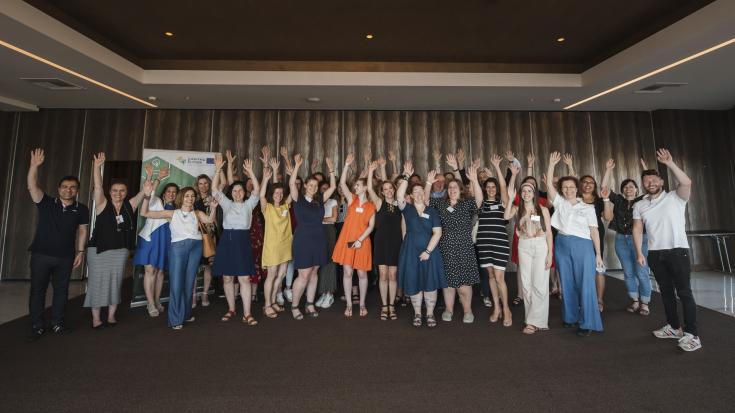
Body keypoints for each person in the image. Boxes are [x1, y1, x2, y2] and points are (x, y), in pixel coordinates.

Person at [633, 149, 701, 352]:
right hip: (655, 254)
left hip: (677, 251)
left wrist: (670, 163)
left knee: (684, 293)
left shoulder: (675, 197)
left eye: (654, 180)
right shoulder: (640, 205)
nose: (650, 183)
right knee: (665, 293)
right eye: (646, 181)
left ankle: (693, 334)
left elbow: (687, 182)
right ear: (643, 184)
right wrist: (639, 253)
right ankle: (674, 327)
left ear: (662, 182)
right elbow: (637, 229)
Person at [26, 148, 89, 341]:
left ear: (77, 190)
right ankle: (37, 326)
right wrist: (34, 166)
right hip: (41, 255)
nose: (68, 190)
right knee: (38, 290)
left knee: (61, 291)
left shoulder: (82, 209)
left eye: (72, 187)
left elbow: (82, 230)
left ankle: (58, 323)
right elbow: (32, 186)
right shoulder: (46, 202)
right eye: (64, 187)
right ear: (59, 188)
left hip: (65, 256)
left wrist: (80, 251)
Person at [140, 183, 218, 329]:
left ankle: (186, 314)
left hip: (196, 247)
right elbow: (144, 213)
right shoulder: (172, 213)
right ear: (181, 198)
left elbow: (210, 220)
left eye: (192, 196)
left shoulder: (198, 213)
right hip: (178, 248)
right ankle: (176, 319)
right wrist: (146, 196)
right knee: (177, 283)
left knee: (189, 282)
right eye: (187, 196)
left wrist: (213, 208)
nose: (190, 198)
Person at [84, 152, 145, 328]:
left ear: (126, 193)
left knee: (115, 283)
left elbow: (144, 192)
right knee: (96, 283)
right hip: (98, 250)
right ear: (110, 192)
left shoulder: (129, 206)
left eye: (122, 190)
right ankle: (96, 318)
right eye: (115, 190)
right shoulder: (103, 204)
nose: (118, 193)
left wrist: (152, 180)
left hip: (119, 251)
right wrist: (97, 167)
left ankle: (111, 315)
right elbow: (97, 187)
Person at [546, 151, 603, 337]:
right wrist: (551, 164)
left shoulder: (587, 208)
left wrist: (599, 255)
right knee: (566, 282)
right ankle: (570, 317)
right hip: (562, 243)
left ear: (576, 188)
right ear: (561, 189)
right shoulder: (560, 203)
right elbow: (548, 185)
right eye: (565, 187)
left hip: (583, 246)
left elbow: (594, 231)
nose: (568, 189)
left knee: (585, 284)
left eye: (571, 187)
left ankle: (588, 322)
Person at [427, 159, 484, 324]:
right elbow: (425, 200)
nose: (452, 189)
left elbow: (479, 201)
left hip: (464, 247)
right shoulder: (440, 204)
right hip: (445, 248)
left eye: (455, 187)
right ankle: (449, 309)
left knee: (464, 283)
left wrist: (473, 180)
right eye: (449, 187)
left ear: (461, 190)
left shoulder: (467, 204)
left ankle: (468, 310)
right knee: (448, 283)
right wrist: (428, 183)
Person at [210, 155, 261, 325]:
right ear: (231, 194)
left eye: (240, 190)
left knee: (244, 278)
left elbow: (257, 191)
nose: (237, 193)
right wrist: (217, 170)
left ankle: (247, 313)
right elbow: (214, 190)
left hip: (242, 241)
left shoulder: (249, 204)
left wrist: (252, 173)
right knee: (227, 278)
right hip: (227, 241)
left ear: (244, 193)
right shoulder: (226, 203)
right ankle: (231, 308)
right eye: (234, 191)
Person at [397, 161, 446, 328]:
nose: (418, 193)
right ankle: (418, 313)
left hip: (429, 251)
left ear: (425, 195)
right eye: (414, 191)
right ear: (410, 195)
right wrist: (405, 176)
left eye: (420, 191)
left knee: (430, 281)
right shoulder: (407, 209)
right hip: (410, 250)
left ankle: (430, 313)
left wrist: (428, 251)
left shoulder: (431, 211)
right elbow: (398, 196)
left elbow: (437, 232)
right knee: (413, 279)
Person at [288, 154, 336, 320]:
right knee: (303, 275)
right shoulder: (298, 199)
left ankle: (309, 303)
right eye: (311, 185)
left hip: (319, 239)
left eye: (316, 185)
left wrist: (331, 170)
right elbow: (291, 183)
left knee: (314, 271)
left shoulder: (320, 200)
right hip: (303, 240)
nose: (314, 187)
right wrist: (296, 165)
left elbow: (333, 187)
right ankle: (294, 305)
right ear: (305, 186)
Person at [601, 159, 651, 316]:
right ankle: (635, 300)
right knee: (628, 272)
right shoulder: (619, 200)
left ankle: (645, 302)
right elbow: (604, 189)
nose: (629, 188)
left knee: (641, 272)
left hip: (640, 239)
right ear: (623, 190)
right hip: (621, 239)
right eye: (626, 187)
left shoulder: (643, 200)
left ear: (637, 189)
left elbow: (650, 186)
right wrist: (608, 169)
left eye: (632, 186)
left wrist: (645, 169)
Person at [505, 181, 553, 334]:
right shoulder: (516, 208)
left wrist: (550, 254)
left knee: (539, 284)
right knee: (526, 284)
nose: (526, 193)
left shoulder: (543, 209)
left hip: (540, 246)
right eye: (523, 191)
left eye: (529, 191)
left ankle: (535, 322)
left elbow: (549, 232)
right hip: (524, 246)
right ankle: (532, 318)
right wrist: (511, 199)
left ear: (534, 193)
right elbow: (506, 216)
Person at [333, 153, 377, 317]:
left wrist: (360, 240)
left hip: (362, 241)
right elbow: (342, 182)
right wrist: (345, 165)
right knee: (347, 273)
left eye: (358, 185)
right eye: (355, 186)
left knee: (361, 273)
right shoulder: (351, 200)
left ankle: (363, 304)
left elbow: (371, 226)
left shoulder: (371, 205)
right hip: (347, 240)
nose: (355, 187)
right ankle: (350, 305)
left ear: (365, 187)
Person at [475, 155, 512, 325]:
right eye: (488, 187)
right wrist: (474, 174)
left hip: (499, 243)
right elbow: (475, 187)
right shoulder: (481, 203)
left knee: (499, 277)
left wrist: (497, 167)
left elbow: (504, 186)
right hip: (484, 243)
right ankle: (496, 307)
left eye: (493, 186)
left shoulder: (502, 202)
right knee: (490, 275)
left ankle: (506, 309)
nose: (490, 189)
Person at [134, 176, 177, 317]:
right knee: (150, 271)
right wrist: (157, 179)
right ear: (163, 193)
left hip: (165, 243)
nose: (171, 194)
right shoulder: (156, 201)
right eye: (169, 191)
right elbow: (149, 194)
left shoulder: (177, 209)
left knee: (160, 272)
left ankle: (157, 301)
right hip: (150, 240)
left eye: (174, 192)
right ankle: (150, 303)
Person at [367, 160, 404, 321]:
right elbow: (369, 188)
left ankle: (391, 306)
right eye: (385, 189)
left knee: (393, 274)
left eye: (390, 188)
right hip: (381, 241)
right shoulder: (379, 202)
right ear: (382, 191)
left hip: (396, 241)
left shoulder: (400, 203)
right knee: (382, 274)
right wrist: (370, 171)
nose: (388, 191)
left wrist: (404, 241)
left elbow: (404, 225)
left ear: (394, 189)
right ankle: (384, 305)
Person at [259, 157, 293, 318]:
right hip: (272, 247)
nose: (278, 195)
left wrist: (293, 172)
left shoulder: (286, 205)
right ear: (272, 194)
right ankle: (267, 305)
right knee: (272, 275)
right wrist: (266, 178)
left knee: (281, 274)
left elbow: (293, 191)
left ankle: (273, 301)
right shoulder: (268, 208)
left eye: (281, 192)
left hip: (285, 245)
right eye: (276, 192)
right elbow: (261, 196)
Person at [579, 172, 607, 312]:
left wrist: (606, 199)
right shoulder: (575, 199)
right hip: (579, 235)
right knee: (582, 268)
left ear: (594, 186)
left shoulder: (599, 200)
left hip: (596, 234)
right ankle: (585, 299)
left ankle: (599, 300)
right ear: (580, 184)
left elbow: (607, 217)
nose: (588, 184)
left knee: (598, 267)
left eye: (591, 182)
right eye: (585, 182)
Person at [193, 174, 219, 307]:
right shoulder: (192, 198)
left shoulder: (214, 197)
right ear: (197, 185)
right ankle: (193, 296)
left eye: (206, 183)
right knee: (195, 266)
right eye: (200, 183)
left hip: (211, 235)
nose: (203, 186)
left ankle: (204, 294)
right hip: (196, 236)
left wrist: (219, 170)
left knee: (208, 266)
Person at [316, 180, 338, 308]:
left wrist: (319, 219)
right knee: (320, 262)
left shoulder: (333, 201)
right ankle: (323, 292)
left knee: (329, 261)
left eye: (327, 188)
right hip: (318, 231)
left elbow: (334, 218)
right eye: (323, 188)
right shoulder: (316, 202)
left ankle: (330, 293)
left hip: (329, 230)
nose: (324, 190)